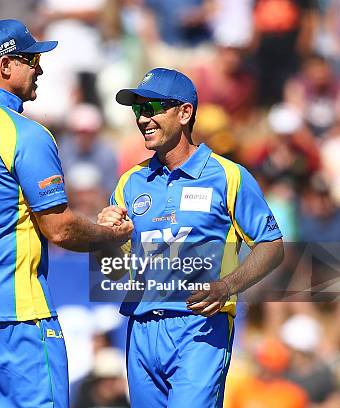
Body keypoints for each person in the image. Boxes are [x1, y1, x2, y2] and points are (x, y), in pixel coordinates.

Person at [0, 19, 133, 408]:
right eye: (31, 59)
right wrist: (113, 236)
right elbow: (61, 229)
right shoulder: (25, 133)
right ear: (5, 66)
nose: (40, 68)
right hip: (15, 312)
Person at [96, 68, 285, 407]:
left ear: (184, 113)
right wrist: (106, 238)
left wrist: (227, 286)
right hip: (141, 328)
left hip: (200, 327)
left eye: (153, 108)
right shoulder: (129, 182)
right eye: (138, 110)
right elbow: (113, 271)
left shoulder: (228, 175)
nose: (143, 119)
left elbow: (272, 245)